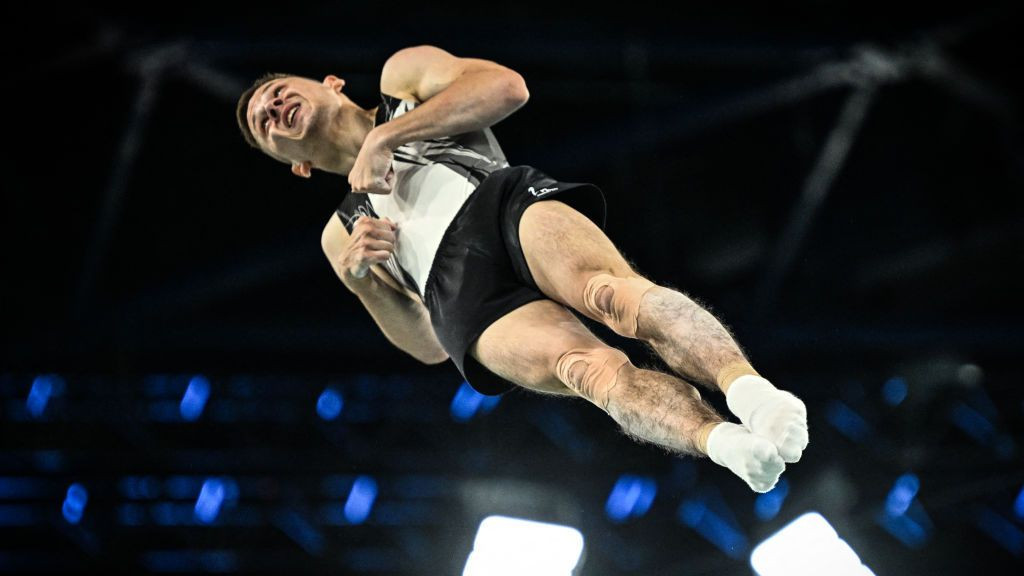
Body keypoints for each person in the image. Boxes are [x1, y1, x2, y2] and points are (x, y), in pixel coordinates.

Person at [235, 45, 808, 492]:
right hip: (456, 293)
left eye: (276, 93)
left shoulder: (400, 80)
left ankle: (752, 394)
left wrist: (388, 135)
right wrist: (364, 280)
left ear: (329, 84)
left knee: (612, 295)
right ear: (298, 168)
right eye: (263, 123)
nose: (272, 109)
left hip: (496, 204)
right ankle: (719, 442)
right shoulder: (341, 236)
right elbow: (428, 346)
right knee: (590, 373)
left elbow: (506, 88)